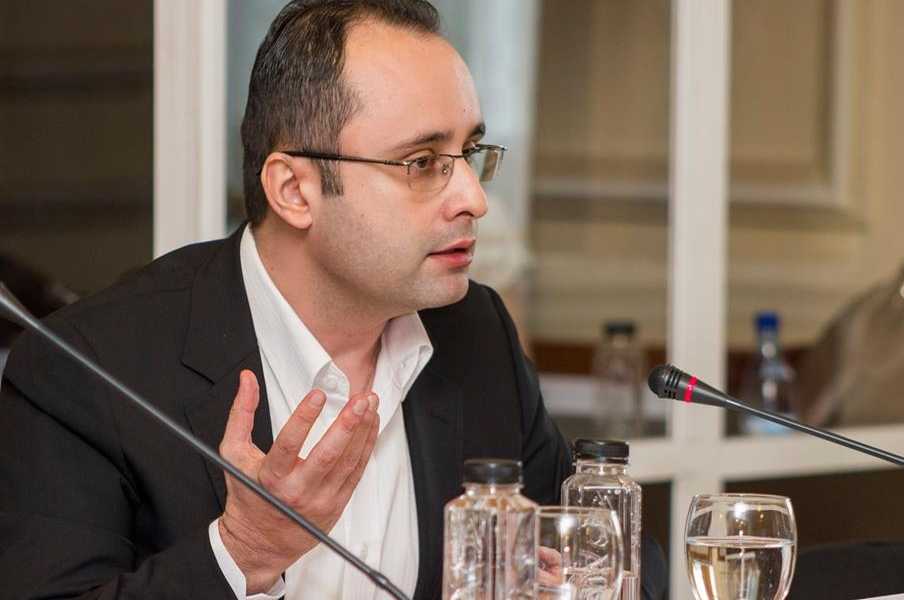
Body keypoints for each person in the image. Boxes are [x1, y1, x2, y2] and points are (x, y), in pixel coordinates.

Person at [0, 1, 667, 599]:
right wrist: (244, 553)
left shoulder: (474, 331)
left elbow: (609, 557)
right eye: (422, 163)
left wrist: (579, 580)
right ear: (294, 190)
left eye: (469, 152)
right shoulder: (87, 367)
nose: (473, 197)